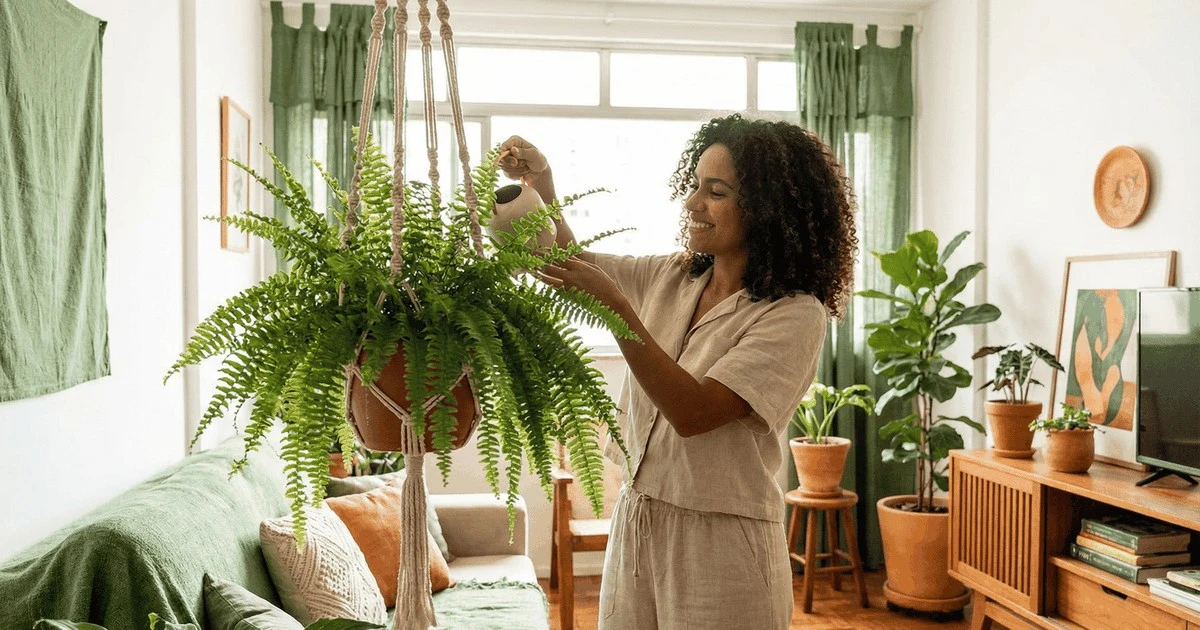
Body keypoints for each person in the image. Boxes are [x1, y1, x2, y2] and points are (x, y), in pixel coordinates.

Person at [498, 113, 857, 629]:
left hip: (722, 541)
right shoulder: (675, 274)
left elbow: (695, 411)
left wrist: (618, 313)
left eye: (716, 192)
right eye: (694, 186)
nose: (692, 203)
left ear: (767, 209)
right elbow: (568, 264)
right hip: (638, 515)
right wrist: (543, 184)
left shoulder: (794, 313)